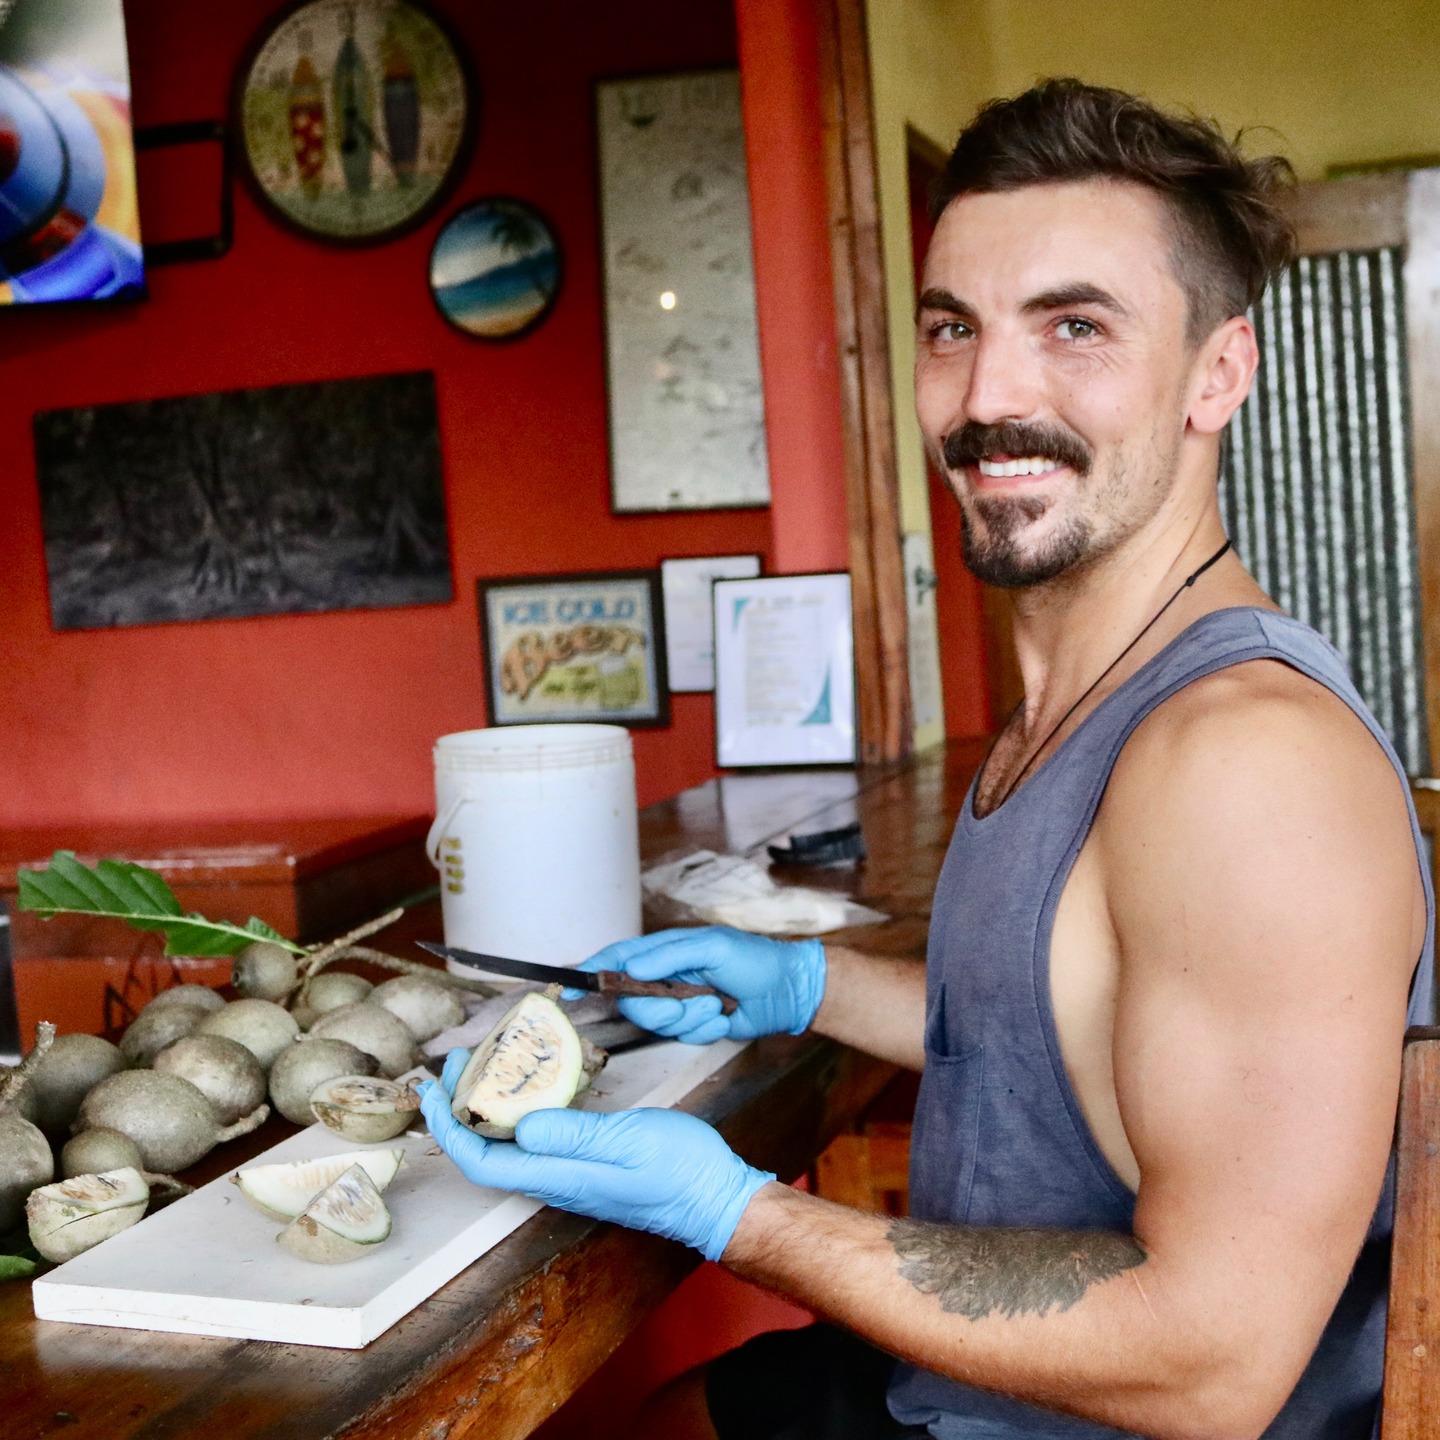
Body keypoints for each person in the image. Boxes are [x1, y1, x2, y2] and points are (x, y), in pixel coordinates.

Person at [420, 79, 1434, 1440]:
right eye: (954, 329)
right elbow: (1066, 1021)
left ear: (1219, 374)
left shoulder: (1241, 762)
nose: (988, 397)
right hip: (969, 1389)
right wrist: (802, 982)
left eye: (1076, 326)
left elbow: (1216, 1361)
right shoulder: (1068, 697)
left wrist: (742, 1214)